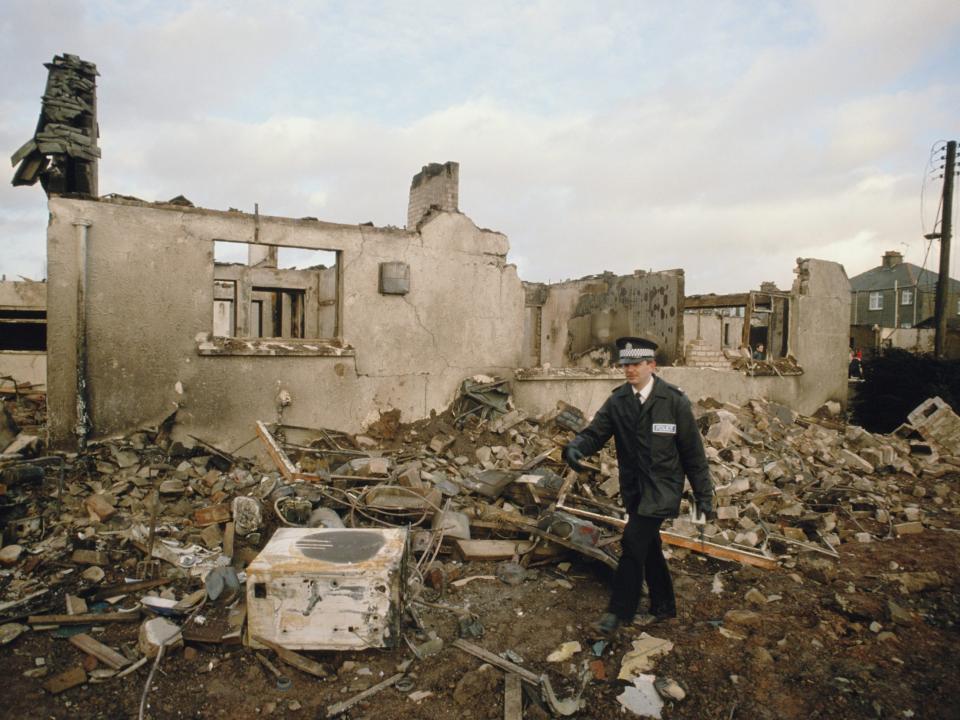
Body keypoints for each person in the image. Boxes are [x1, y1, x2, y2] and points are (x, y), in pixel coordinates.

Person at [563, 336, 713, 635]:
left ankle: (619, 612)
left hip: (662, 489)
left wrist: (703, 497)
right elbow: (595, 433)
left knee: (633, 542)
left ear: (651, 365)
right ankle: (664, 606)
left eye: (635, 364)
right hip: (634, 489)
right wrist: (576, 446)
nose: (629, 370)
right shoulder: (618, 401)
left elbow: (693, 454)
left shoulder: (673, 401)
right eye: (625, 365)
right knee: (649, 545)